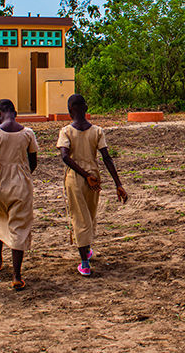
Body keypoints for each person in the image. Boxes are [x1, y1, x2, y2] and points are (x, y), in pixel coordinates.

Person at [57, 94, 128, 276]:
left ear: (69, 110)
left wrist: (84, 175)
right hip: (94, 177)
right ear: (86, 108)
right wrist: (118, 184)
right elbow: (106, 157)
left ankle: (84, 262)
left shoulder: (66, 131)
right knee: (89, 213)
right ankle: (86, 250)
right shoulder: (97, 131)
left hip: (76, 177)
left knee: (79, 216)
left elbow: (65, 156)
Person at [0, 99, 38, 290]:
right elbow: (33, 161)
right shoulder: (28, 133)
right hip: (21, 184)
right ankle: (16, 275)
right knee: (19, 228)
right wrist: (22, 173)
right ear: (15, 112)